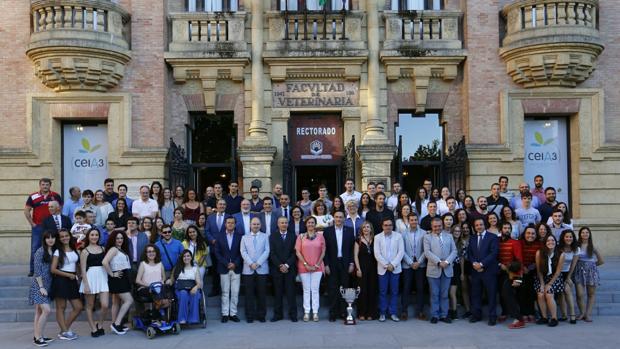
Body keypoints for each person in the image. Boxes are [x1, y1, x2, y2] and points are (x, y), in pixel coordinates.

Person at [423, 217, 457, 324]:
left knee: (444, 294)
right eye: (435, 226)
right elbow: (427, 252)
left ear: (442, 225)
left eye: (439, 226)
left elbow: (454, 251)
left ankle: (444, 315)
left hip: (447, 269)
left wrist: (446, 262)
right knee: (434, 293)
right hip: (433, 269)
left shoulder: (449, 236)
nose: (437, 228)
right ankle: (435, 315)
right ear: (432, 226)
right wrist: (438, 262)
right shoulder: (427, 237)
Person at [50, 229, 82, 340]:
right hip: (61, 280)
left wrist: (79, 275)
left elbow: (76, 264)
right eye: (62, 236)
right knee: (61, 307)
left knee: (78, 307)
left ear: (70, 236)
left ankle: (64, 330)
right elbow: (53, 269)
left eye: (66, 236)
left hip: (72, 280)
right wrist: (68, 275)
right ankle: (65, 332)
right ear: (59, 239)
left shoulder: (74, 249)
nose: (64, 238)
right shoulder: (57, 251)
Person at [323, 211, 355, 322]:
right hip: (332, 263)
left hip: (345, 263)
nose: (339, 219)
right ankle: (333, 313)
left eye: (341, 217)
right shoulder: (327, 231)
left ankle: (343, 312)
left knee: (344, 288)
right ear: (333, 218)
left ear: (344, 219)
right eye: (336, 217)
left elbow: (352, 249)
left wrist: (352, 263)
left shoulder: (350, 231)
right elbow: (324, 250)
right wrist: (326, 264)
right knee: (332, 289)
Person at [467, 217, 499, 325]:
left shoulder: (493, 237)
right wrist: (474, 264)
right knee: (476, 294)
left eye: (480, 224)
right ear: (474, 227)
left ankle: (492, 316)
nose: (479, 227)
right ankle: (476, 315)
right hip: (475, 271)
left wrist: (481, 264)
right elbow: (470, 253)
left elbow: (493, 253)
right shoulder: (472, 238)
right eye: (476, 225)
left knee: (491, 294)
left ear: (484, 225)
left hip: (489, 271)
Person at [102, 230, 134, 335]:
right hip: (118, 277)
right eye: (117, 238)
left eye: (121, 238)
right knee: (129, 300)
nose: (119, 240)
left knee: (116, 302)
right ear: (113, 239)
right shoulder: (113, 249)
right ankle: (117, 323)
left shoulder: (121, 249)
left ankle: (115, 324)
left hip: (123, 276)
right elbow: (104, 262)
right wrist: (112, 274)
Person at [79, 228, 109, 337]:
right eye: (92, 235)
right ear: (88, 236)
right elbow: (82, 269)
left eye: (96, 235)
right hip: (90, 278)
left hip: (102, 277)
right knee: (90, 305)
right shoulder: (85, 251)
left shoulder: (103, 249)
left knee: (105, 305)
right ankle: (93, 328)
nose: (94, 237)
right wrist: (86, 284)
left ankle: (100, 325)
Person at [296, 216, 326, 322]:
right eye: (309, 222)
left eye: (312, 222)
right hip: (304, 267)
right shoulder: (301, 236)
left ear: (315, 224)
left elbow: (323, 251)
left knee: (315, 290)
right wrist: (305, 264)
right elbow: (298, 252)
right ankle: (307, 312)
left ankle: (315, 312)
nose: (310, 224)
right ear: (306, 224)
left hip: (317, 268)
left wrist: (317, 264)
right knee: (306, 290)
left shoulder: (320, 236)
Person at [374, 217, 404, 322]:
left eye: (390, 225)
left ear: (393, 226)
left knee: (394, 291)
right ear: (382, 226)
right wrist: (387, 265)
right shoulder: (377, 237)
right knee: (382, 292)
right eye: (386, 225)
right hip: (383, 268)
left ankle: (393, 313)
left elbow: (401, 252)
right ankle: (382, 313)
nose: (388, 227)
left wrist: (393, 264)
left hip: (395, 269)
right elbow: (377, 253)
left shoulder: (398, 236)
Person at [240, 218, 270, 323]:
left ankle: (261, 315)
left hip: (262, 269)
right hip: (248, 269)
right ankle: (250, 316)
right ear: (250, 225)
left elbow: (267, 251)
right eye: (254, 224)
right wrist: (251, 263)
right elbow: (243, 252)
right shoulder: (244, 237)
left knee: (262, 293)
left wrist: (258, 263)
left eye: (258, 224)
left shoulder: (265, 236)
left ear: (260, 225)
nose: (256, 226)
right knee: (249, 294)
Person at [30, 231, 56, 347]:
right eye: (48, 238)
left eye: (52, 237)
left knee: (39, 311)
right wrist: (41, 287)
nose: (50, 240)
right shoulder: (40, 251)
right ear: (44, 239)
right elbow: (37, 270)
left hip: (48, 284)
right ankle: (38, 337)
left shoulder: (53, 251)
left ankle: (38, 335)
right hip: (39, 285)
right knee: (46, 310)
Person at [270, 216, 299, 322]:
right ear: (278, 224)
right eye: (281, 222)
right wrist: (280, 265)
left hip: (290, 269)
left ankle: (293, 315)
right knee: (278, 293)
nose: (284, 224)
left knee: (291, 293)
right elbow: (272, 253)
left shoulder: (293, 236)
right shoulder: (272, 236)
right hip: (277, 269)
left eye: (285, 222)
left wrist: (286, 265)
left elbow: (295, 253)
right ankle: (278, 315)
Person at [214, 217, 243, 323]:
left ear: (235, 224)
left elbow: (242, 252)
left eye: (232, 223)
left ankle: (233, 313)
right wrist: (227, 263)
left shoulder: (240, 237)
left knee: (235, 292)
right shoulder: (219, 237)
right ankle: (225, 314)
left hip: (236, 267)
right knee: (225, 292)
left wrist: (235, 263)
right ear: (225, 224)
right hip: (224, 268)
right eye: (228, 223)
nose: (230, 224)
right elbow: (217, 253)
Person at [574, 227, 604, 322]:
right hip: (579, 271)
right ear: (580, 234)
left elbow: (601, 261)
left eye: (587, 232)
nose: (585, 234)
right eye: (583, 232)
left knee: (590, 294)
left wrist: (592, 266)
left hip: (591, 272)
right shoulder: (577, 246)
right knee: (580, 294)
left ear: (589, 234)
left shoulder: (592, 247)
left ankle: (588, 314)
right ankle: (582, 312)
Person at [535, 234, 565, 327]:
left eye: (552, 240)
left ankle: (554, 318)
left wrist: (550, 284)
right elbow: (539, 270)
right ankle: (544, 317)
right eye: (548, 241)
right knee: (540, 293)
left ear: (556, 242)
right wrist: (543, 284)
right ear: (545, 243)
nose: (550, 242)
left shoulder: (561, 254)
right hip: (542, 277)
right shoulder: (539, 253)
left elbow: (558, 272)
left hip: (555, 278)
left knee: (549, 293)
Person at [401, 213, 427, 321]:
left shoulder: (424, 233)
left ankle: (420, 311)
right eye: (411, 220)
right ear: (408, 221)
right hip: (407, 265)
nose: (414, 222)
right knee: (406, 288)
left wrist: (419, 262)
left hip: (420, 265)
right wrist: (411, 262)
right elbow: (401, 250)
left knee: (420, 288)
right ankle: (404, 311)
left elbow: (426, 250)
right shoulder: (402, 234)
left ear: (418, 221)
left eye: (415, 220)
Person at [497, 222, 523, 326]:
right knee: (501, 293)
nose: (507, 230)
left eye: (509, 228)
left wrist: (518, 279)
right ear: (500, 230)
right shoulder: (496, 242)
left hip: (512, 273)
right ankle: (505, 312)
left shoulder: (515, 243)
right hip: (499, 272)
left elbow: (519, 261)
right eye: (505, 228)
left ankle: (518, 318)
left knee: (507, 293)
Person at [354, 221, 378, 320]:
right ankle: (362, 313)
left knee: (372, 290)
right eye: (364, 227)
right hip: (362, 267)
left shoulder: (376, 239)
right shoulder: (358, 240)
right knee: (363, 290)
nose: (366, 229)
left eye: (368, 227)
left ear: (371, 229)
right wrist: (358, 269)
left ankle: (371, 313)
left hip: (373, 268)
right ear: (361, 229)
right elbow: (355, 256)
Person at [170, 250, 203, 325]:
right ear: (182, 258)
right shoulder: (177, 268)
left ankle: (193, 319)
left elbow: (199, 283)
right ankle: (182, 319)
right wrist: (168, 281)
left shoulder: (195, 269)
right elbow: (172, 280)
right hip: (180, 289)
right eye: (184, 256)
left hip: (192, 288)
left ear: (191, 257)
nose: (186, 258)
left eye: (188, 256)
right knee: (183, 293)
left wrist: (195, 287)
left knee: (194, 294)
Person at [205, 198, 229, 297]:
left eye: (224, 204)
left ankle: (225, 290)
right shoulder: (210, 217)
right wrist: (212, 240)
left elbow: (231, 230)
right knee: (215, 270)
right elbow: (207, 231)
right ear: (217, 205)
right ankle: (215, 289)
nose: (222, 206)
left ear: (226, 206)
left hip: (225, 248)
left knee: (224, 269)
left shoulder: (229, 217)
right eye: (220, 204)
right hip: (214, 246)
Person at [520, 224, 542, 323]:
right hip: (520, 272)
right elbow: (516, 257)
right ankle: (524, 313)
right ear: (524, 234)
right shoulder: (519, 243)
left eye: (533, 233)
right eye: (528, 233)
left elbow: (540, 260)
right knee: (522, 290)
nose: (530, 235)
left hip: (534, 271)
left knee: (532, 291)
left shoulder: (539, 244)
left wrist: (530, 267)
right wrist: (523, 267)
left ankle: (531, 312)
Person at [558, 229, 579, 324]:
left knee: (567, 290)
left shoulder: (576, 249)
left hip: (568, 273)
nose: (569, 238)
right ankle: (564, 315)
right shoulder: (558, 248)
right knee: (560, 294)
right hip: (557, 273)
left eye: (570, 237)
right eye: (566, 236)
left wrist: (568, 278)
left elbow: (573, 265)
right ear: (563, 238)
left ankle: (572, 315)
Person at [448, 225, 463, 320]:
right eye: (455, 231)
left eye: (459, 231)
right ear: (452, 232)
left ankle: (454, 312)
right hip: (447, 267)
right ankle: (447, 311)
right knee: (446, 292)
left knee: (452, 292)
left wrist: (462, 272)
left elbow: (462, 259)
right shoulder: (448, 241)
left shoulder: (462, 244)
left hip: (456, 269)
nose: (457, 233)